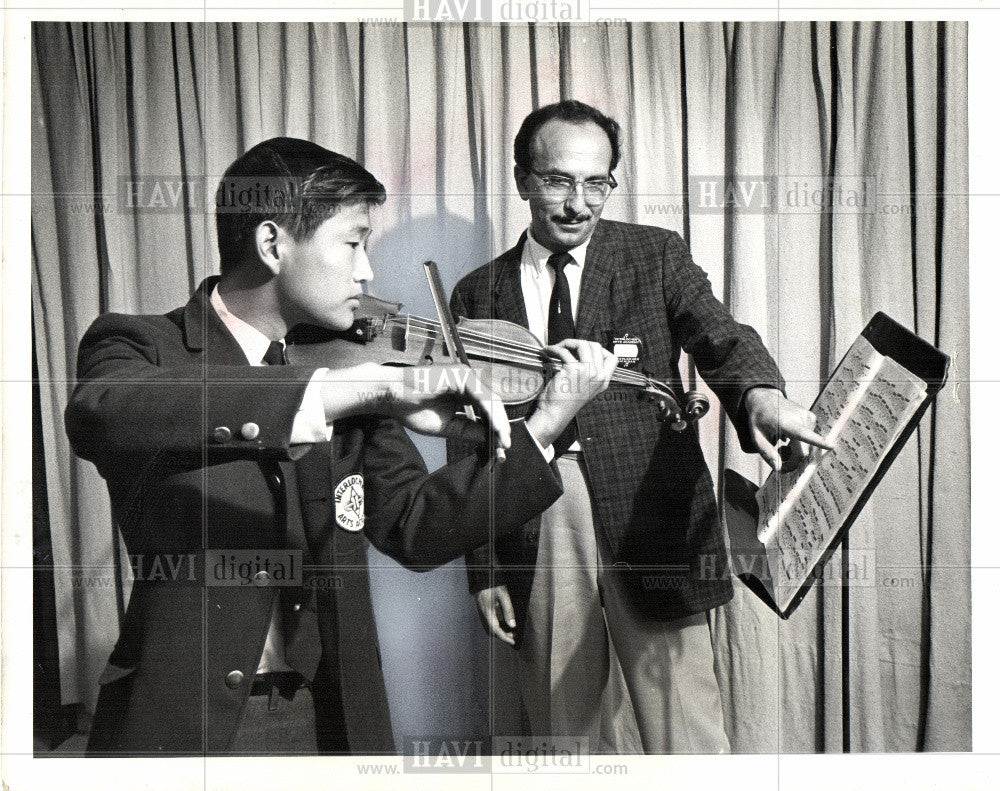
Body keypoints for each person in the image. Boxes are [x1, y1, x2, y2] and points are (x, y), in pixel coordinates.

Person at [65, 136, 618, 755]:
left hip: (326, 726)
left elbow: (418, 528)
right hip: (180, 726)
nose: (368, 272)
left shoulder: (347, 373)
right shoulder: (145, 346)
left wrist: (539, 428)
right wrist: (356, 389)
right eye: (353, 243)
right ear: (273, 245)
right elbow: (104, 413)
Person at [449, 101, 831, 754]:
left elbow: (718, 331)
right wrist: (482, 567)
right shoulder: (477, 295)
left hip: (649, 508)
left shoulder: (655, 255)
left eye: (597, 182)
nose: (578, 202)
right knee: (561, 730)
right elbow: (469, 442)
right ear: (522, 179)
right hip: (537, 510)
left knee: (685, 724)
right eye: (558, 180)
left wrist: (760, 395)